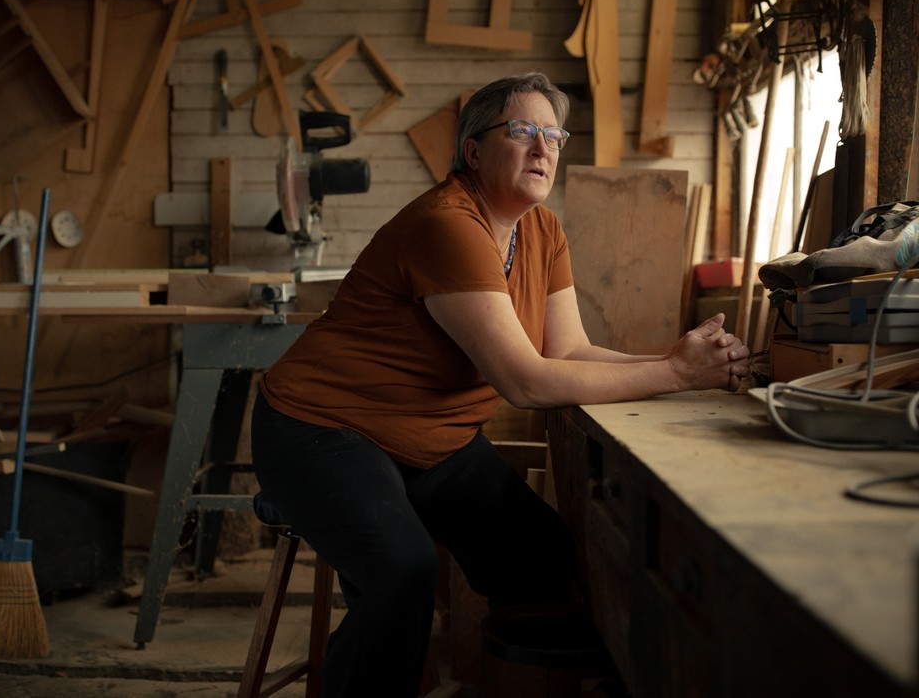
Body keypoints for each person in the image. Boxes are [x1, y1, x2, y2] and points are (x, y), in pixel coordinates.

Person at [252, 71, 749, 697]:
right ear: (474, 151)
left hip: (429, 439)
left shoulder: (543, 230)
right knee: (402, 573)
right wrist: (677, 375)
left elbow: (568, 352)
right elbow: (525, 381)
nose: (543, 148)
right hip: (320, 429)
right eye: (522, 132)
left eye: (553, 134)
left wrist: (681, 363)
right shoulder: (449, 225)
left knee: (539, 554)